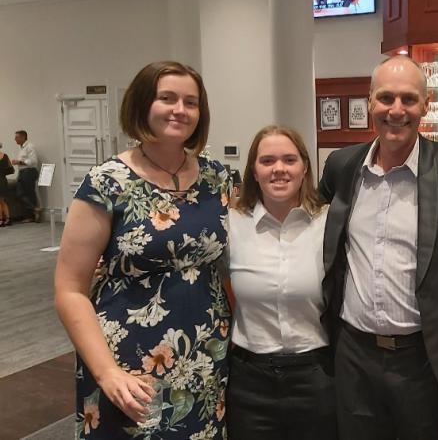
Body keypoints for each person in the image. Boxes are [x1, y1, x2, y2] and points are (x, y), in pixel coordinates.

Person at [319, 55, 438, 440]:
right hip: (354, 357)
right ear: (369, 102)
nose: (396, 110)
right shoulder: (341, 166)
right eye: (385, 98)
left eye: (408, 99)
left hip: (426, 361)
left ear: (425, 105)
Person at [54, 61, 230, 439]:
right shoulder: (107, 182)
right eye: (166, 98)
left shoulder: (220, 177)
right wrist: (106, 372)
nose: (180, 110)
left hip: (206, 354)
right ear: (141, 105)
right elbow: (69, 289)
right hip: (128, 361)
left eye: (191, 102)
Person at [225, 125, 336, 440]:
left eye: (289, 160)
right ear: (254, 171)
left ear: (305, 168)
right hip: (250, 379)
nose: (279, 169)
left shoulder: (329, 222)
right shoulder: (231, 225)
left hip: (315, 375)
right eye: (267, 161)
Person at [11, 130, 40, 222]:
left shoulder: (30, 147)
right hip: (22, 172)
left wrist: (19, 162)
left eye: (17, 137)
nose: (15, 139)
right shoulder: (21, 148)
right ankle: (35, 209)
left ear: (23, 137)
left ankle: (31, 216)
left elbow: (33, 161)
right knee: (19, 193)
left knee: (30, 192)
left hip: (29, 172)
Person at [0, 143, 13, 226]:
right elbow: (11, 169)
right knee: (2, 201)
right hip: (3, 180)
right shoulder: (5, 156)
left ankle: (1, 219)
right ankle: (7, 219)